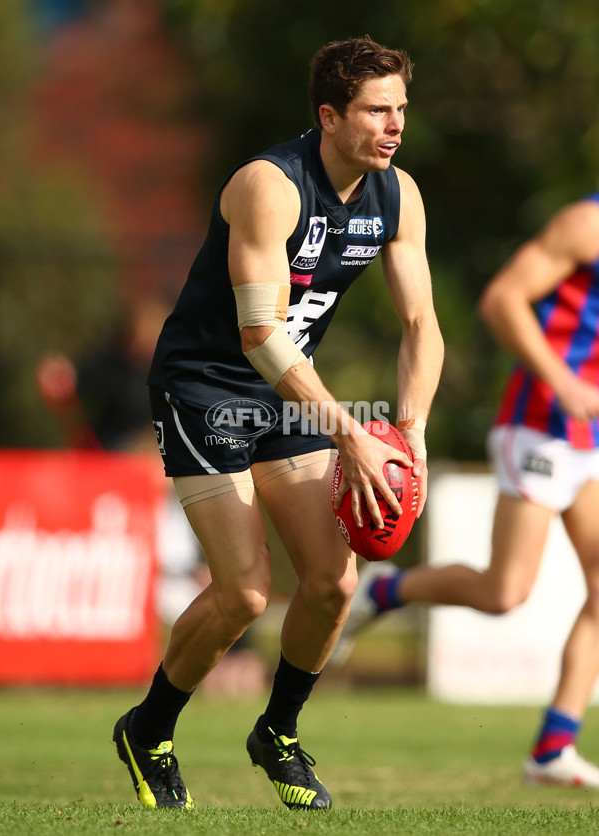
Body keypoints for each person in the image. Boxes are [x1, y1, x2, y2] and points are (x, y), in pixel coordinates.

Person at [111, 35, 444, 811]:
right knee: (247, 593)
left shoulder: (398, 195)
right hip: (207, 388)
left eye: (400, 107)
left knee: (332, 582)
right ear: (329, 116)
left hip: (292, 394)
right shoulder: (270, 185)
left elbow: (422, 324)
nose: (394, 125)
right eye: (375, 110)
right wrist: (351, 433)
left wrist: (412, 432)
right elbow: (260, 333)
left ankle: (278, 734)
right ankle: (149, 728)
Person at [334, 194, 599, 788]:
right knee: (506, 592)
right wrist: (562, 382)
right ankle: (389, 588)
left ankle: (554, 748)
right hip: (541, 426)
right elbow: (502, 299)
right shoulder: (589, 224)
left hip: (592, 438)